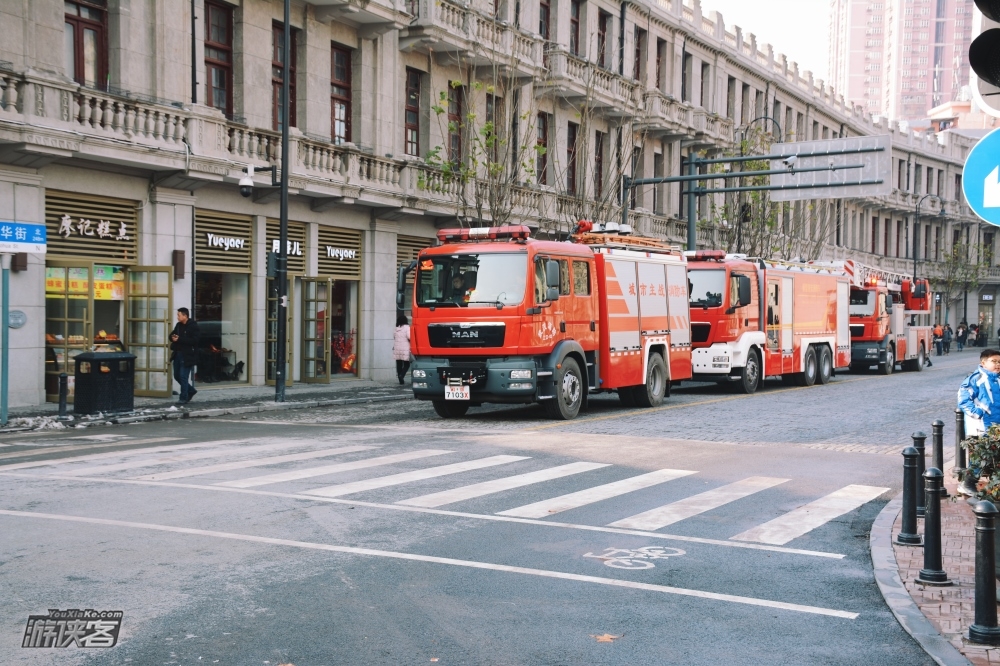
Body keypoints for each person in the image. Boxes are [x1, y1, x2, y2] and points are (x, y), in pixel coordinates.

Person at [957, 348, 1000, 496]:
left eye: (999, 362)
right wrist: (978, 413)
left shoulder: (997, 379)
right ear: (983, 362)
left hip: (996, 425)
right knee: (981, 455)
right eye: (994, 361)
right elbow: (963, 400)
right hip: (982, 425)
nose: (997, 364)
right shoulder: (976, 379)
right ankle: (967, 483)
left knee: (994, 454)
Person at [170, 307, 200, 404]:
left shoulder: (193, 326)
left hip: (187, 355)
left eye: (179, 315)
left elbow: (195, 340)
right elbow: (172, 335)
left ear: (185, 316)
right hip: (177, 353)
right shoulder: (178, 325)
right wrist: (173, 337)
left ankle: (183, 397)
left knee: (183, 376)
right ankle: (191, 390)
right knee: (177, 375)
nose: (177, 317)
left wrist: (180, 339)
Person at [393, 313, 411, 385]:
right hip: (405, 347)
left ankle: (400, 379)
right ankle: (402, 375)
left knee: (399, 363)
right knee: (407, 364)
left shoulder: (396, 329)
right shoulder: (407, 328)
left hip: (397, 348)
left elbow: (394, 337)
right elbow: (409, 337)